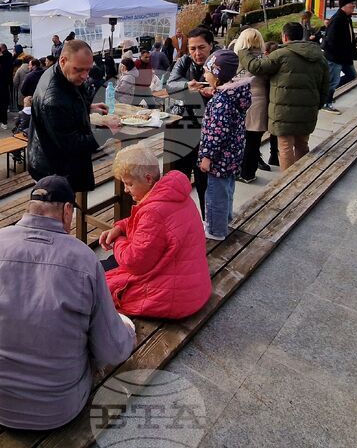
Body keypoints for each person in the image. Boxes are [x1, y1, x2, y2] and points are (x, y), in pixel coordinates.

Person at [0, 176, 135, 430]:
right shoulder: (84, 259)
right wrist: (128, 330)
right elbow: (111, 350)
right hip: (61, 411)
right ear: (67, 210)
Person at [98, 146, 212, 318]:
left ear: (148, 179)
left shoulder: (153, 212)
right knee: (104, 268)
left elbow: (134, 263)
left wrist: (119, 239)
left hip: (175, 298)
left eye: (129, 184)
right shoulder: (172, 193)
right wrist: (119, 227)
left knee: (93, 284)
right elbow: (147, 227)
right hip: (194, 286)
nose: (126, 190)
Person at [28, 40, 119, 193]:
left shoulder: (61, 73)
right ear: (63, 60)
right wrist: (108, 131)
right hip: (53, 169)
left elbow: (71, 98)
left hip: (54, 158)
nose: (84, 76)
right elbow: (74, 145)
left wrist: (88, 107)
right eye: (79, 70)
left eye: (88, 70)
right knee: (61, 213)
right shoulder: (53, 99)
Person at [238, 22, 330, 171]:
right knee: (302, 144)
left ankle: (288, 183)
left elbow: (256, 67)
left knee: (285, 147)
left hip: (283, 111)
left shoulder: (281, 55)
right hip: (308, 109)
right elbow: (326, 84)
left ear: (285, 36)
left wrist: (243, 52)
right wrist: (318, 105)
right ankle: (302, 175)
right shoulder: (319, 56)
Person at [164, 27, 218, 216]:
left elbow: (229, 89)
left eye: (201, 47)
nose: (197, 53)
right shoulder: (184, 62)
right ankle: (180, 221)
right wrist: (187, 86)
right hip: (183, 127)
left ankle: (208, 221)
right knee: (179, 179)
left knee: (205, 182)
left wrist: (213, 92)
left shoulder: (220, 62)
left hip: (207, 131)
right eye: (192, 48)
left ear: (211, 45)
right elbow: (170, 85)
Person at [198, 50, 251, 240]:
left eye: (207, 72)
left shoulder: (221, 102)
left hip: (218, 158)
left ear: (217, 75)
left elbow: (216, 133)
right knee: (227, 189)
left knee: (215, 195)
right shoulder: (233, 95)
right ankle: (225, 220)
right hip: (232, 154)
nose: (204, 75)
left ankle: (215, 230)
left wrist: (207, 156)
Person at [232, 28, 270, 183]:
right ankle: (250, 172)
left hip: (245, 103)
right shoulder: (264, 58)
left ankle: (245, 173)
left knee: (245, 140)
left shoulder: (239, 59)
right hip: (261, 102)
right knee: (254, 141)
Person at [321, 0, 357, 115]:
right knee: (333, 80)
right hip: (335, 56)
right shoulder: (338, 19)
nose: (353, 8)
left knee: (351, 75)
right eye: (352, 6)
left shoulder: (346, 17)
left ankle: (326, 94)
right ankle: (326, 102)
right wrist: (338, 53)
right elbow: (331, 39)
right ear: (345, 6)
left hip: (344, 56)